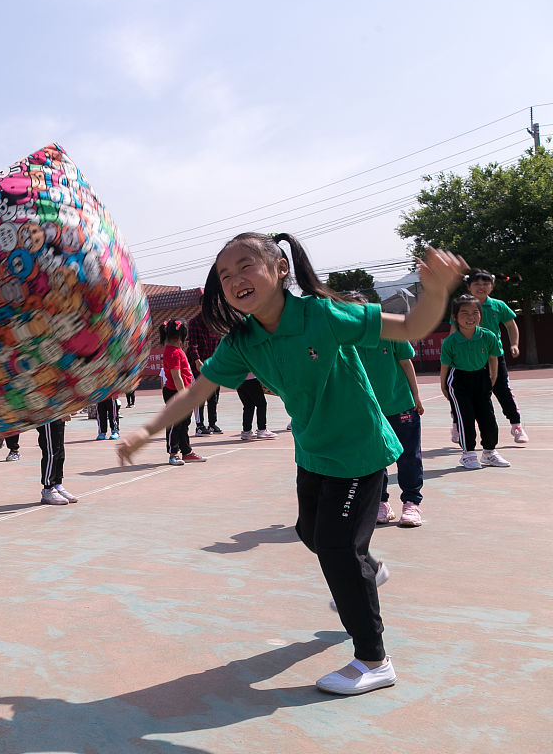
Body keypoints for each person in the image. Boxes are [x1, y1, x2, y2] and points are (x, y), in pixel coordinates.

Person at [118, 232, 467, 696]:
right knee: (312, 534)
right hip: (313, 451)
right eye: (225, 275)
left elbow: (407, 328)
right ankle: (370, 568)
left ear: (281, 268)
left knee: (338, 550)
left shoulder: (322, 314)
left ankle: (373, 659)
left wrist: (437, 290)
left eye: (246, 266)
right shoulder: (243, 341)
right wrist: (146, 430)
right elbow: (198, 390)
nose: (235, 279)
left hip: (358, 449)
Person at [346, 293, 425, 527]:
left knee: (409, 456)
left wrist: (416, 395)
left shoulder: (389, 330)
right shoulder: (344, 339)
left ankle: (412, 503)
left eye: (361, 310)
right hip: (366, 410)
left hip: (400, 404)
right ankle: (381, 502)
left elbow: (405, 363)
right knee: (373, 459)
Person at [441, 294, 509, 470]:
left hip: (482, 378)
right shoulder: (450, 341)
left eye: (475, 313)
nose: (470, 317)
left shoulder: (488, 336)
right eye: (464, 313)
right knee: (466, 418)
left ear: (481, 315)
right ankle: (468, 454)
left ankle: (489, 452)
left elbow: (493, 358)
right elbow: (445, 366)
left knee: (488, 418)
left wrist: (492, 377)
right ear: (455, 317)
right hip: (458, 381)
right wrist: (443, 385)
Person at [465, 270, 528, 443]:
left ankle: (516, 426)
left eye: (485, 284)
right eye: (477, 284)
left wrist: (514, 344)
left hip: (495, 356)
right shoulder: (463, 305)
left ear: (492, 286)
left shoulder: (498, 305)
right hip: (470, 358)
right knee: (467, 394)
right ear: (469, 286)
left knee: (503, 390)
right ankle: (458, 425)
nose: (481, 287)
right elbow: (454, 330)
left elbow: (511, 325)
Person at [159, 319, 205, 465]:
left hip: (182, 391)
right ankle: (173, 453)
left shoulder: (177, 350)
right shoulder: (172, 352)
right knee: (175, 424)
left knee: (184, 423)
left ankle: (187, 452)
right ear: (181, 336)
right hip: (175, 393)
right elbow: (176, 376)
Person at [188, 312, 223, 435]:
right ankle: (200, 425)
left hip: (213, 364)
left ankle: (212, 424)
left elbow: (220, 344)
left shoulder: (216, 322)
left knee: (213, 395)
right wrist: (197, 360)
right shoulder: (194, 322)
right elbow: (192, 344)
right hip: (199, 365)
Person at [36, 418, 77, 505]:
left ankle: (57, 485)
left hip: (57, 411)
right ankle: (48, 489)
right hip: (47, 414)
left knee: (59, 450)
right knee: (51, 451)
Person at [236, 374, 276, 441]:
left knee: (248, 406)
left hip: (238, 380)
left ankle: (246, 431)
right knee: (261, 404)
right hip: (251, 379)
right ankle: (262, 429)